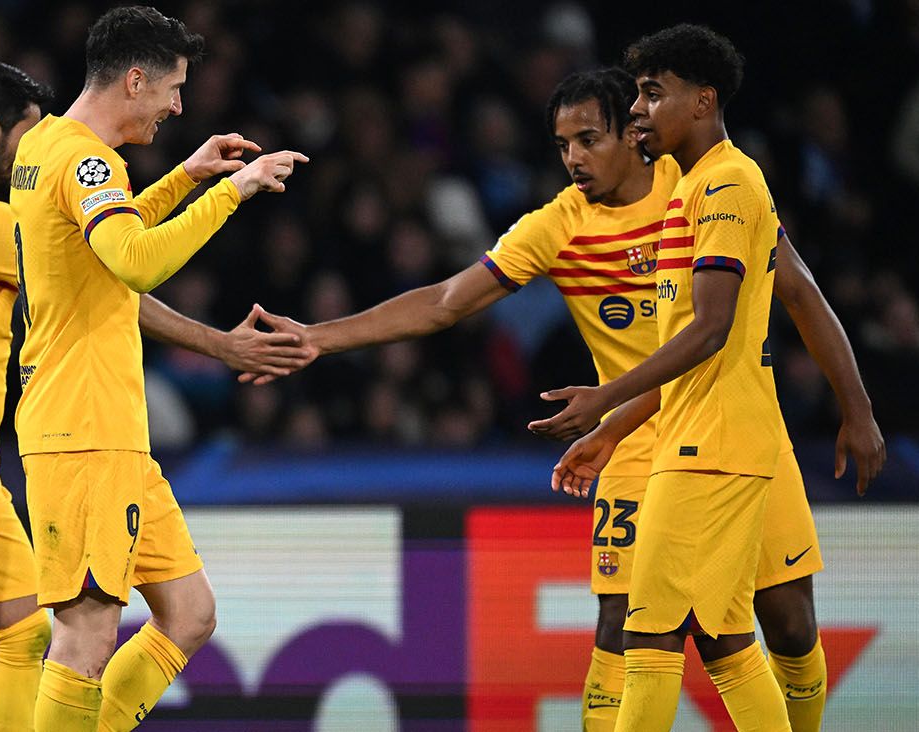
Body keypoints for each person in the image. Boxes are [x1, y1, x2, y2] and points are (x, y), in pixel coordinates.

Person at [248, 66, 883, 731]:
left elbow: (801, 292)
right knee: (628, 623)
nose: (574, 158)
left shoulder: (700, 191)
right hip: (635, 442)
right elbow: (443, 301)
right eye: (562, 144)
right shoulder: (558, 225)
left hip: (738, 424)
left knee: (787, 620)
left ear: (635, 134)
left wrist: (857, 407)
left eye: (588, 139)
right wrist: (320, 336)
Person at [0, 57, 307, 731]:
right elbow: (103, 269)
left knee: (22, 629)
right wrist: (218, 341)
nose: (29, 152)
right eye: (23, 135)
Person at [533, 24, 882, 731]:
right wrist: (613, 429)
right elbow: (698, 353)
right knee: (724, 641)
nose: (637, 112)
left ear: (702, 101)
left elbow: (712, 330)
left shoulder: (726, 184)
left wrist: (607, 396)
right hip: (705, 437)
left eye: (653, 96)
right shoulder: (693, 191)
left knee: (653, 635)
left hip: (709, 451)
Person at [7, 7, 307, 731]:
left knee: (189, 614)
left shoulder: (43, 145)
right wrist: (232, 191)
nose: (178, 105)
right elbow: (135, 261)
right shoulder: (87, 160)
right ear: (134, 79)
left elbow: (101, 261)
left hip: (110, 433)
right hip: (82, 430)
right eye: (172, 88)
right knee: (85, 637)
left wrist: (183, 176)